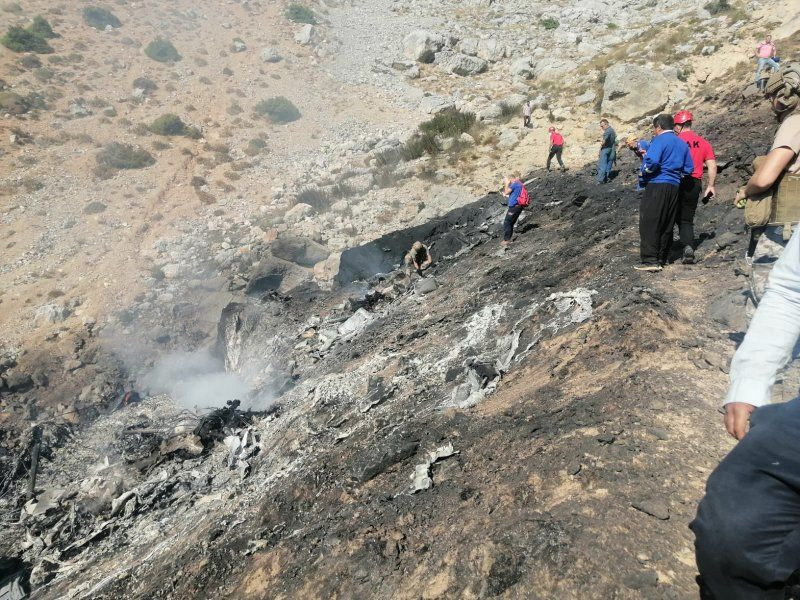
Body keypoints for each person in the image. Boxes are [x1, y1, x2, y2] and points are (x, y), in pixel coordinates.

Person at [690, 63, 800, 600]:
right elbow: (792, 292)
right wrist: (750, 380)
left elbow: (766, 173)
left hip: (779, 224)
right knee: (732, 528)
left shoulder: (795, 125)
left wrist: (750, 187)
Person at [635, 114, 693, 272]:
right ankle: (662, 258)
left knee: (650, 221)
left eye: (654, 128)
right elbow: (689, 168)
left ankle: (650, 260)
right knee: (667, 222)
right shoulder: (681, 144)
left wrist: (645, 171)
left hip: (657, 184)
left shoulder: (659, 140)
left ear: (658, 127)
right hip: (674, 186)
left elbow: (652, 161)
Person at [674, 110, 718, 264]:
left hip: (676, 181)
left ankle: (663, 249)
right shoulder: (703, 142)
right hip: (695, 183)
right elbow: (712, 165)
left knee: (669, 214)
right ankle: (688, 246)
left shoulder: (675, 141)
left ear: (679, 125)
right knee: (687, 218)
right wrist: (711, 185)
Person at [501, 173, 526, 246]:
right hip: (518, 206)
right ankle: (508, 238)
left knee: (507, 222)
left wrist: (506, 184)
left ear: (510, 179)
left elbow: (506, 191)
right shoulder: (519, 184)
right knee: (510, 222)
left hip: (514, 207)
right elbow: (513, 193)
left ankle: (507, 240)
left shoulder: (514, 184)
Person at [597, 119, 617, 184]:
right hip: (612, 149)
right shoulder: (613, 131)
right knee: (609, 165)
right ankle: (606, 178)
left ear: (606, 124)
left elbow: (605, 140)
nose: (601, 128)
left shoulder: (607, 131)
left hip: (606, 149)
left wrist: (601, 148)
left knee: (602, 165)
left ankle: (600, 180)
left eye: (602, 126)